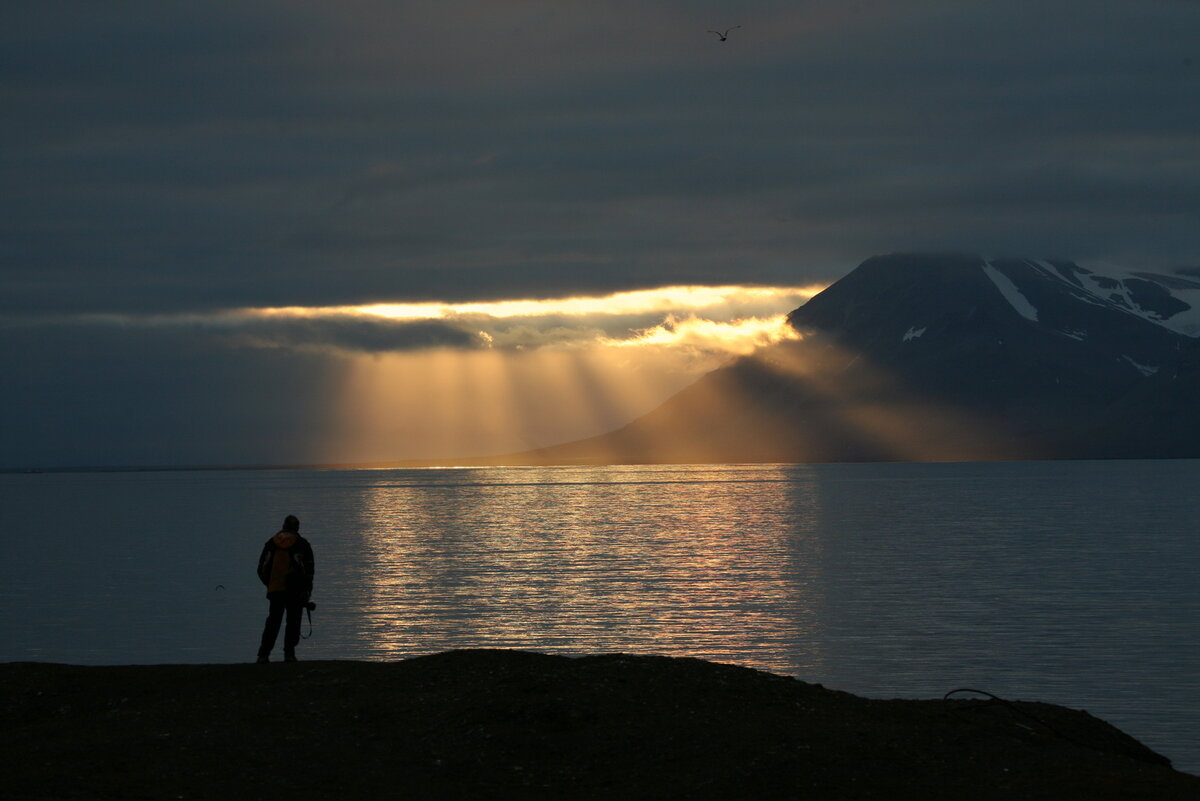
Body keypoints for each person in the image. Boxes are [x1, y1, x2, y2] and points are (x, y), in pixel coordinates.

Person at [256, 514, 315, 663]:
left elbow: (261, 569)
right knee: (293, 622)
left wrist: (270, 584)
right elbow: (309, 570)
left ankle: (264, 655)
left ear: (283, 526)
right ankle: (289, 654)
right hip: (295, 590)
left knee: (273, 622)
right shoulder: (302, 544)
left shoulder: (271, 543)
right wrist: (307, 590)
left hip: (275, 590)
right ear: (297, 528)